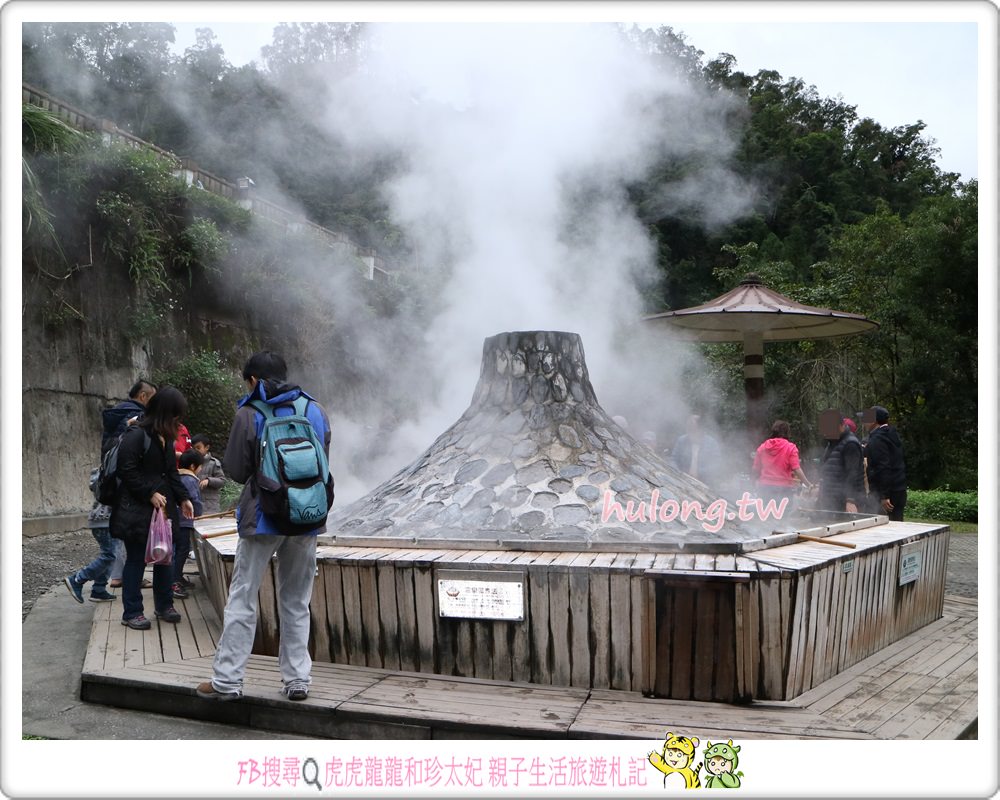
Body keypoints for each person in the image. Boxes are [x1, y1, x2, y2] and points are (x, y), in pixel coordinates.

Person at [197, 351, 332, 702]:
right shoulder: (314, 410)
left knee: (243, 596)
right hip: (306, 519)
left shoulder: (250, 412)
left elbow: (237, 471)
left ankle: (227, 681)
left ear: (254, 380)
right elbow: (323, 461)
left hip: (263, 519)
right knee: (297, 601)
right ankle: (298, 680)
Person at [109, 386, 194, 630]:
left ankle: (164, 604)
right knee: (136, 559)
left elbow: (171, 472)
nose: (178, 421)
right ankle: (132, 611)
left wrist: (183, 498)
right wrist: (149, 493)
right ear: (166, 413)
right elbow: (127, 470)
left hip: (163, 509)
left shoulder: (164, 437)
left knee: (165, 557)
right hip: (137, 510)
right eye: (176, 415)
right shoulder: (137, 435)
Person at [101, 379, 157, 591]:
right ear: (143, 397)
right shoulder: (133, 418)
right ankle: (126, 580)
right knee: (131, 536)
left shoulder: (117, 415)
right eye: (153, 398)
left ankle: (118, 576)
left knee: (122, 534)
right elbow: (130, 462)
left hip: (114, 480)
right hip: (127, 485)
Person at [64, 496, 118, 604]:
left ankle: (99, 590)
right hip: (106, 520)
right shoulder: (114, 478)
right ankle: (77, 579)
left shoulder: (98, 478)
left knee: (111, 556)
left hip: (101, 519)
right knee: (109, 555)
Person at [752, 420, 813, 509]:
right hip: (783, 489)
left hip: (764, 487)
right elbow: (796, 469)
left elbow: (755, 468)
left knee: (765, 518)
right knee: (782, 518)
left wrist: (752, 483)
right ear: (787, 432)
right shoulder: (790, 448)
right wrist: (808, 484)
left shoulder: (762, 447)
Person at [865, 406, 907, 521]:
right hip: (899, 488)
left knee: (884, 528)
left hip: (887, 493)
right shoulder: (892, 434)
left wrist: (884, 496)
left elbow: (883, 467)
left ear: (874, 421)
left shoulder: (877, 439)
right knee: (897, 524)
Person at [173, 449, 204, 599]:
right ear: (193, 466)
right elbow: (194, 500)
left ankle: (177, 577)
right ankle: (174, 581)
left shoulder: (176, 477)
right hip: (184, 521)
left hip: (175, 519)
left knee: (178, 550)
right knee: (182, 550)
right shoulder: (190, 480)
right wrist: (199, 514)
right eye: (200, 466)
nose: (201, 469)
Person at [818, 416, 864, 513]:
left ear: (842, 425)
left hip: (844, 502)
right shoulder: (833, 442)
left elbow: (852, 473)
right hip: (832, 499)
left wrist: (851, 500)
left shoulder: (850, 444)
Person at [670, 414, 721, 486]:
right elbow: (673, 459)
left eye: (694, 430)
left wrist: (700, 472)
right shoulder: (681, 441)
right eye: (689, 430)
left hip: (705, 484)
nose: (691, 434)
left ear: (701, 430)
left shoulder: (711, 443)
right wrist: (679, 472)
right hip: (683, 482)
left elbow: (716, 464)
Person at [191, 433, 226, 514]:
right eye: (194, 448)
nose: (196, 451)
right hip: (195, 505)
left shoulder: (213, 463)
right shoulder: (191, 463)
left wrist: (209, 481)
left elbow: (222, 480)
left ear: (207, 447)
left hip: (210, 506)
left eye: (198, 448)